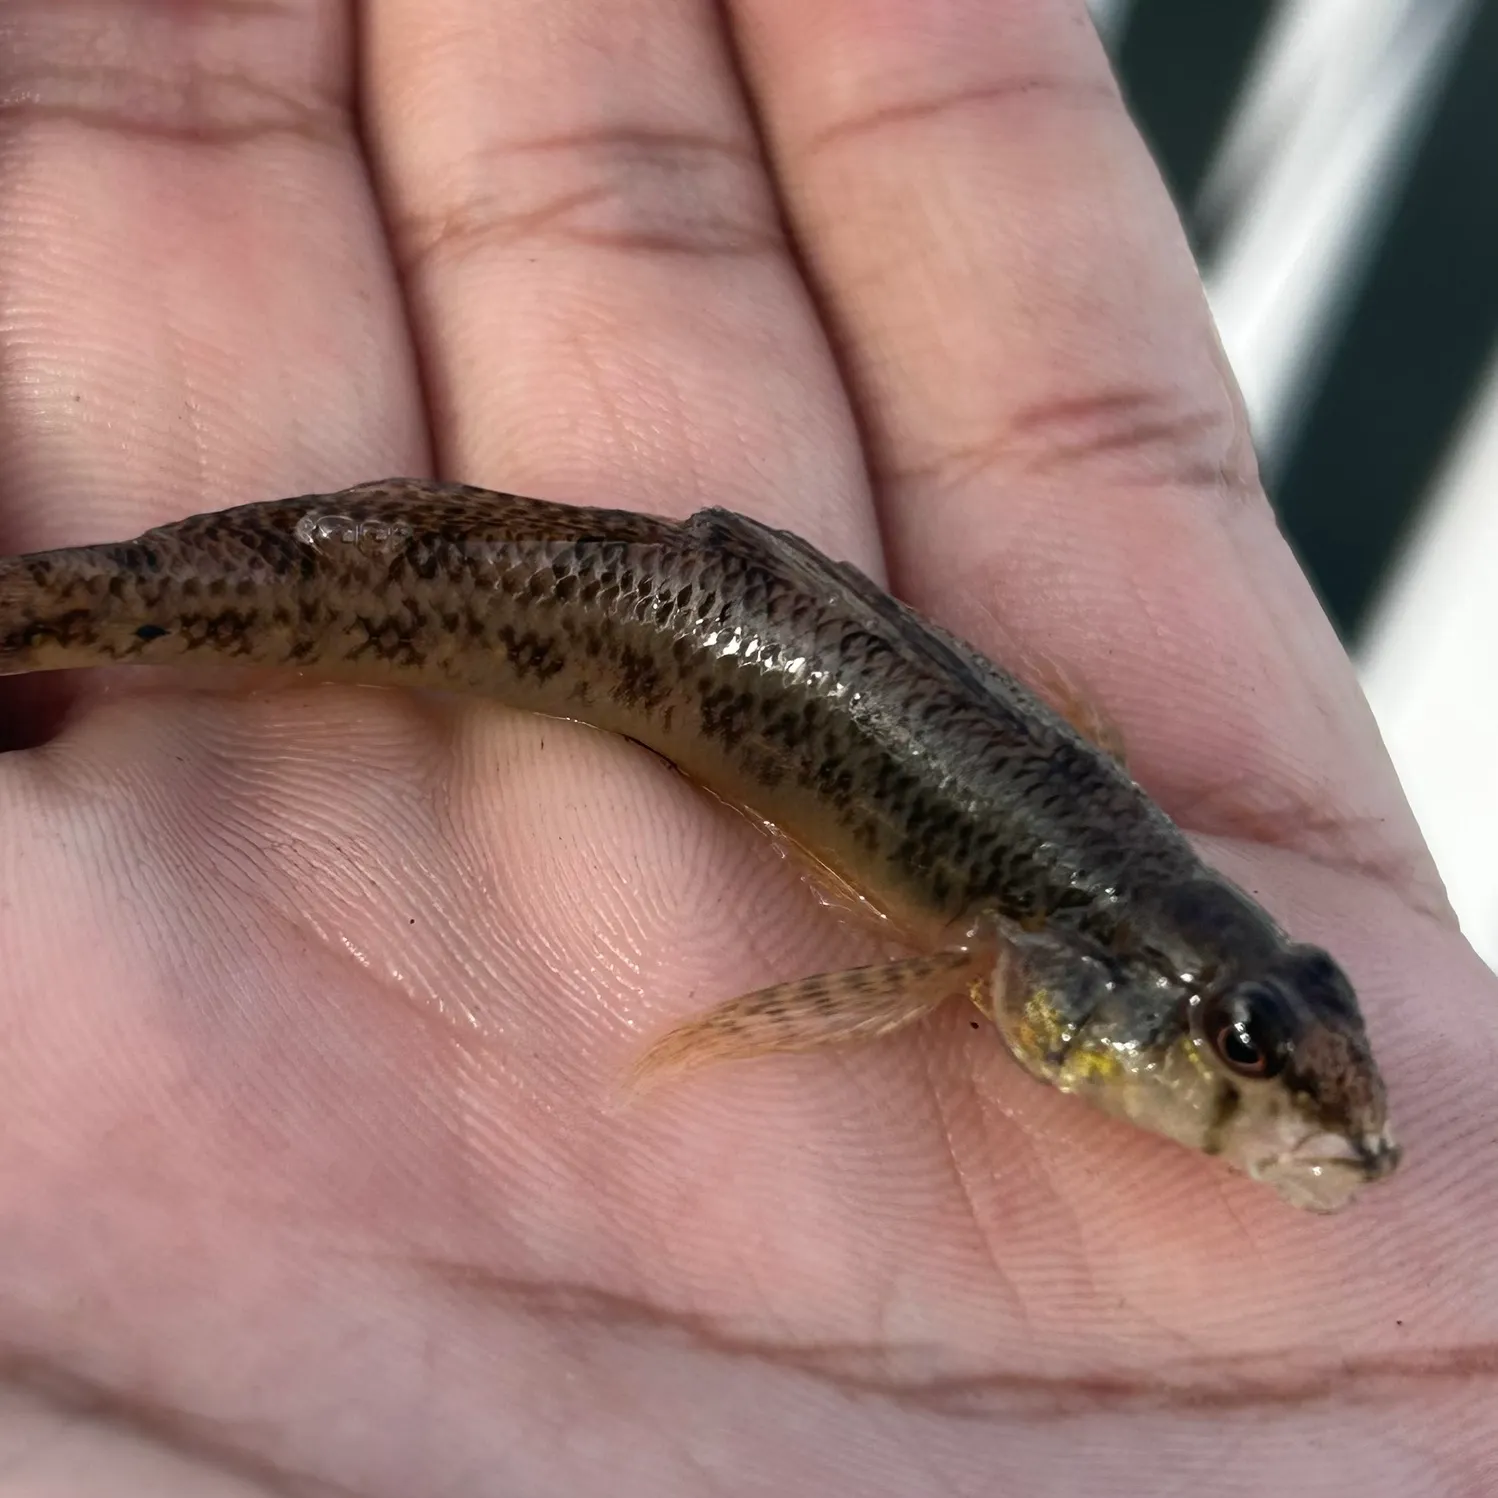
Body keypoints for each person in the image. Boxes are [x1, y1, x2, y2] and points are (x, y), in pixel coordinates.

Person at [0, 1, 1490, 1492]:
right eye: (1235, 1046)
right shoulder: (1047, 913)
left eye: (1257, 1033)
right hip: (672, 621)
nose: (1280, 1091)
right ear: (1095, 975)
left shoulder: (1088, 890)